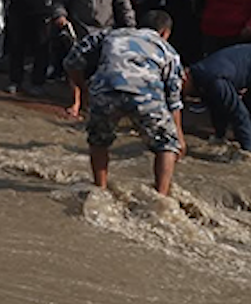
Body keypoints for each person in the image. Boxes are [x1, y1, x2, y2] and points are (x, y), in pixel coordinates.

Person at [64, 11, 187, 196]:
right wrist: (179, 136)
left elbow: (72, 60)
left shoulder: (110, 34)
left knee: (99, 140)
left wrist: (83, 89)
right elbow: (174, 99)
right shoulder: (168, 50)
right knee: (166, 145)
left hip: (106, 90)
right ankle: (161, 198)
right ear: (165, 33)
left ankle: (100, 188)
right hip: (147, 96)